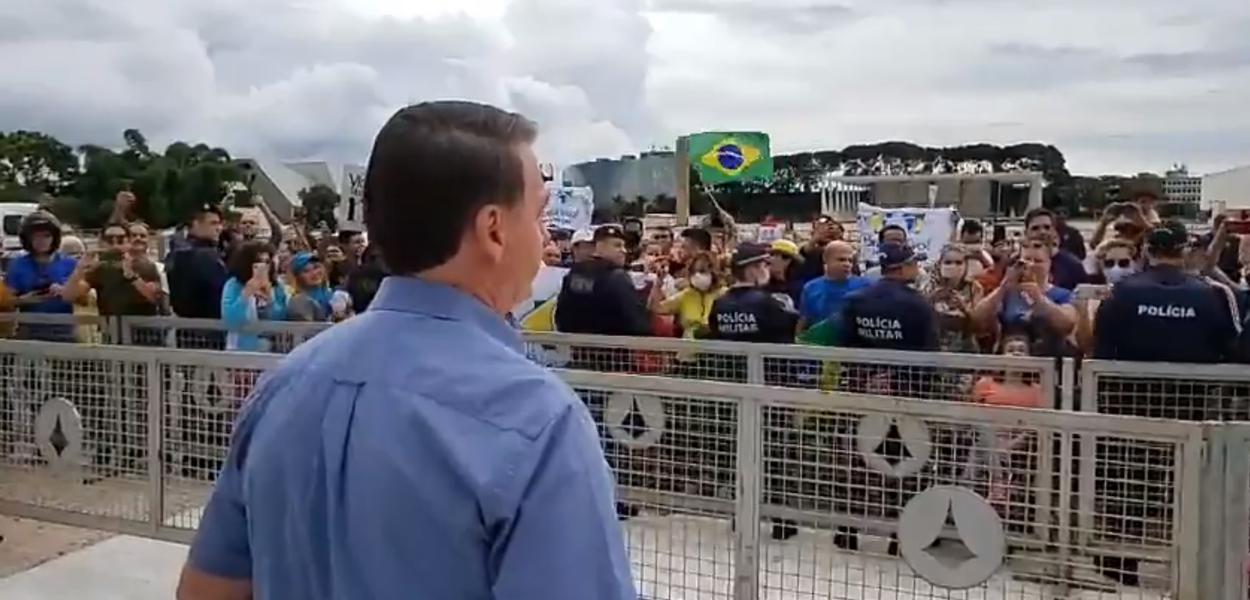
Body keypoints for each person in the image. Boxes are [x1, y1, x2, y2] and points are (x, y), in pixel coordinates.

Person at [178, 101, 635, 600]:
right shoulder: (538, 419)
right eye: (540, 214)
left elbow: (207, 590)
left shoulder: (283, 385)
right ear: (494, 230)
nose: (546, 236)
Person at [1094, 220, 1237, 364]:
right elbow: (1234, 350)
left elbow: (1102, 349)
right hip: (1196, 383)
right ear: (1185, 250)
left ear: (1146, 251)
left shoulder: (1120, 291)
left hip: (1130, 383)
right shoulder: (1215, 293)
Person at [972, 238, 1077, 357]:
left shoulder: (1062, 294)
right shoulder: (1007, 293)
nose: (1031, 265)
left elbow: (1067, 324)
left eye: (1038, 261)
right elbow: (977, 320)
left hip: (1048, 362)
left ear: (1049, 264)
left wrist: (1039, 299)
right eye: (1027, 260)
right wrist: (1004, 286)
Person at [555, 224, 651, 338]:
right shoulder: (617, 277)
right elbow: (636, 323)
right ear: (599, 247)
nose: (624, 251)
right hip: (613, 349)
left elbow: (560, 318)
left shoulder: (573, 274)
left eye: (624, 246)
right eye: (617, 245)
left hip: (574, 349)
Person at [839, 243, 938, 351]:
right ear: (903, 268)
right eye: (915, 263)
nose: (918, 268)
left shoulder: (854, 300)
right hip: (905, 366)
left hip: (864, 366)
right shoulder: (917, 303)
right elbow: (929, 348)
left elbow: (846, 344)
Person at [62, 222, 163, 318]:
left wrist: (132, 277)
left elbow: (155, 298)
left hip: (142, 331)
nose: (115, 245)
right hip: (111, 331)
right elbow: (69, 296)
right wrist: (79, 270)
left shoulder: (145, 265)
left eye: (120, 239)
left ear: (128, 241)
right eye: (109, 240)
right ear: (102, 242)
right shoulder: (100, 268)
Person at [4, 211, 76, 342]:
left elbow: (85, 299)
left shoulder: (70, 264)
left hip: (64, 331)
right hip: (29, 331)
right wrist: (24, 300)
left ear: (55, 237)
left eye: (46, 236)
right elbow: (6, 300)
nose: (41, 241)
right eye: (36, 237)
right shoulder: (17, 264)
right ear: (27, 239)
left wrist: (64, 291)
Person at [708, 242, 799, 344]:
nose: (768, 270)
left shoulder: (719, 304)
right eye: (765, 265)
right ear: (752, 269)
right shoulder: (768, 304)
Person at [167, 204, 229, 348]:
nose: (219, 228)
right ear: (195, 224)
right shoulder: (202, 255)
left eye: (220, 223)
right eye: (213, 223)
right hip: (207, 330)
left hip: (188, 330)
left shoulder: (178, 252)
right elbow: (222, 290)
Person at [220, 240, 288, 351]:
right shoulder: (233, 285)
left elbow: (281, 318)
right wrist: (246, 294)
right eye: (258, 262)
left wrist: (270, 299)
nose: (263, 266)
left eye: (267, 261)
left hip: (272, 349)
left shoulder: (277, 285)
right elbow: (230, 319)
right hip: (241, 348)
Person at [648, 250, 724, 339]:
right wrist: (658, 283)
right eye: (694, 272)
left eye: (702, 271)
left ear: (713, 272)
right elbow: (655, 308)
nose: (697, 275)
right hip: (689, 347)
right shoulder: (685, 296)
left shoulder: (724, 295)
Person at [798, 241, 868, 336]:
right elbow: (804, 321)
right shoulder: (811, 288)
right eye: (841, 260)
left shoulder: (866, 286)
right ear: (826, 260)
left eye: (850, 260)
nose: (847, 264)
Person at [923, 245, 984, 353]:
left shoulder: (974, 287)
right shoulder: (929, 285)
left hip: (964, 346)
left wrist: (963, 307)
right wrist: (931, 299)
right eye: (948, 262)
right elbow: (917, 315)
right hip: (933, 346)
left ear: (966, 265)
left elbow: (979, 323)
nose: (953, 266)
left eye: (958, 262)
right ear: (940, 264)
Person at [1023, 208, 1086, 291]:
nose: (1042, 232)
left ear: (1054, 231)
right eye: (1035, 228)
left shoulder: (1073, 265)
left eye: (1047, 227)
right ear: (1026, 233)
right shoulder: (1015, 263)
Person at [286, 252, 334, 322]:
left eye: (316, 267)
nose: (314, 273)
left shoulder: (330, 294)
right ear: (298, 277)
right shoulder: (298, 301)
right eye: (306, 271)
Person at [795, 215, 843, 283]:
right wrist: (816, 237)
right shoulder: (813, 251)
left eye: (830, 227)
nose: (827, 230)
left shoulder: (843, 250)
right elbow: (804, 253)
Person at [765, 239, 805, 307]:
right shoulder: (760, 285)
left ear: (787, 260)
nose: (767, 259)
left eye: (772, 255)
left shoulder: (799, 288)